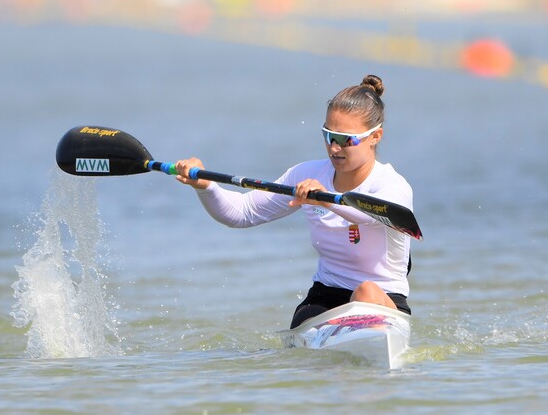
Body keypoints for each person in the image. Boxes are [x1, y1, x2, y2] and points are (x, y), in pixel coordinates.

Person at [173, 74, 413, 328]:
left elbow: (372, 215)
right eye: (328, 135)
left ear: (375, 137)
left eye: (345, 140)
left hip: (383, 298)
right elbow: (241, 214)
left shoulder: (392, 185)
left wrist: (326, 201)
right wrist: (205, 187)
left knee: (366, 292)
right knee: (302, 323)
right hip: (325, 296)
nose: (333, 148)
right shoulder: (307, 175)